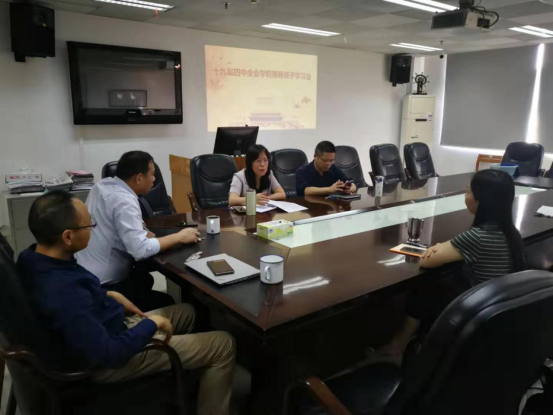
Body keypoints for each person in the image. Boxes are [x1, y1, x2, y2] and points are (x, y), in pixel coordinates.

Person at [17, 191, 235, 415]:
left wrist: (107, 294)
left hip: (107, 326)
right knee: (223, 344)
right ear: (67, 237)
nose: (93, 229)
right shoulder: (63, 293)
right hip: (111, 360)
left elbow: (79, 300)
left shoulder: (33, 258)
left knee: (188, 312)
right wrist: (151, 324)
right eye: (89, 225)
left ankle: (187, 382)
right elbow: (110, 352)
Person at [379, 169, 526, 361]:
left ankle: (399, 347)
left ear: (481, 201)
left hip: (477, 311)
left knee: (425, 285)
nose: (465, 196)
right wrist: (445, 247)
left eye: (468, 192)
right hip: (499, 307)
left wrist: (440, 247)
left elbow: (426, 260)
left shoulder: (476, 236)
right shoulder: (512, 233)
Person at [76, 151, 200, 312]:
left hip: (84, 275)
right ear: (139, 178)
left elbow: (112, 222)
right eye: (152, 174)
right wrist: (179, 237)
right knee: (166, 301)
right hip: (106, 286)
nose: (154, 179)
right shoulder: (124, 200)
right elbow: (140, 250)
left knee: (144, 279)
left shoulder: (102, 186)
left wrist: (141, 230)